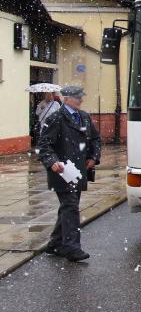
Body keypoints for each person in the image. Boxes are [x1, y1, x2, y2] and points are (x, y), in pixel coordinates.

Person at [37, 85, 101, 262]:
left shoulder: (84, 117)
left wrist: (94, 157)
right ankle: (72, 248)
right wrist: (52, 161)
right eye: (77, 97)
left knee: (68, 206)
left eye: (81, 96)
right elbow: (44, 145)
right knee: (71, 205)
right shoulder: (56, 118)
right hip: (62, 171)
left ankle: (55, 243)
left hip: (79, 171)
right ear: (66, 98)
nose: (81, 99)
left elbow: (95, 139)